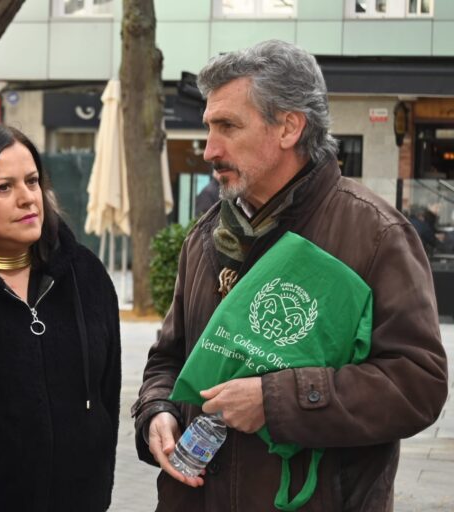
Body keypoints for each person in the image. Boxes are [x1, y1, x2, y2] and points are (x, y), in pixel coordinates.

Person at [131, 40, 448, 511]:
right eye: (209, 128)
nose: (209, 149)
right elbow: (168, 359)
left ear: (289, 127)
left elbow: (417, 384)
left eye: (228, 127)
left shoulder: (375, 234)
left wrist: (276, 400)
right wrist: (156, 412)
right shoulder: (205, 237)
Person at [0, 124, 121, 511]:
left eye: (33, 181)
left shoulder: (84, 273)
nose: (27, 199)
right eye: (3, 187)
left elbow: (108, 392)